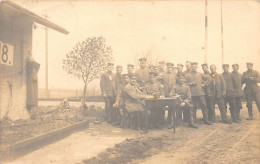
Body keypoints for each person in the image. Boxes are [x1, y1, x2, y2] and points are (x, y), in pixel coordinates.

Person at [157, 62, 177, 127]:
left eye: (170, 67)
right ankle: (161, 121)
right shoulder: (163, 75)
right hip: (164, 93)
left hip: (172, 93)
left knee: (171, 108)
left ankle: (170, 121)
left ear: (172, 68)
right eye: (168, 67)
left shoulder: (174, 75)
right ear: (166, 68)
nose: (169, 69)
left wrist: (173, 89)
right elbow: (156, 80)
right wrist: (160, 85)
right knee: (162, 107)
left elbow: (176, 83)